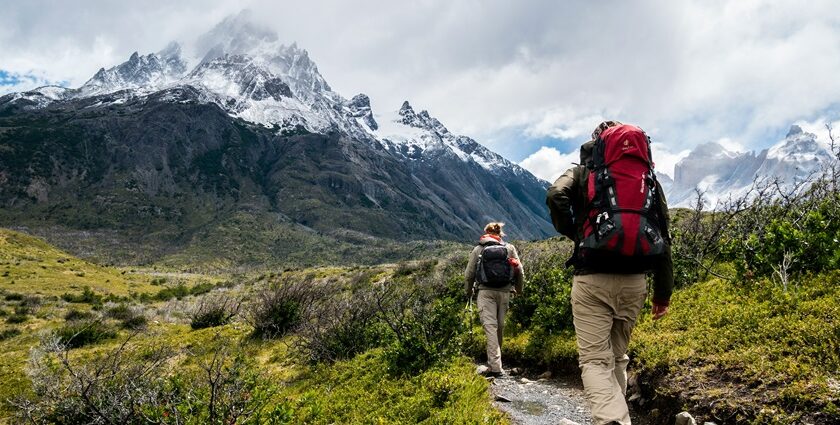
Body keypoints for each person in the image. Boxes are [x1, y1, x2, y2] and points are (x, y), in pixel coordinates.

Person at [546, 121, 673, 425]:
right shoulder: (648, 179)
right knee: (618, 356)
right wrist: (663, 293)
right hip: (635, 281)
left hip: (592, 278)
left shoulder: (582, 172)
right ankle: (617, 415)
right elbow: (663, 233)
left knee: (593, 360)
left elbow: (555, 196)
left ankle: (613, 420)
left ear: (597, 145)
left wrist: (576, 232)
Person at [464, 222, 524, 377]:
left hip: (485, 292)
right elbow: (520, 270)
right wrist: (518, 289)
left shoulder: (479, 249)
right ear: (500, 233)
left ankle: (495, 367)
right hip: (505, 292)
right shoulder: (509, 248)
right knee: (500, 327)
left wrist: (469, 291)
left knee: (490, 327)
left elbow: (469, 274)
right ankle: (496, 362)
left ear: (486, 233)